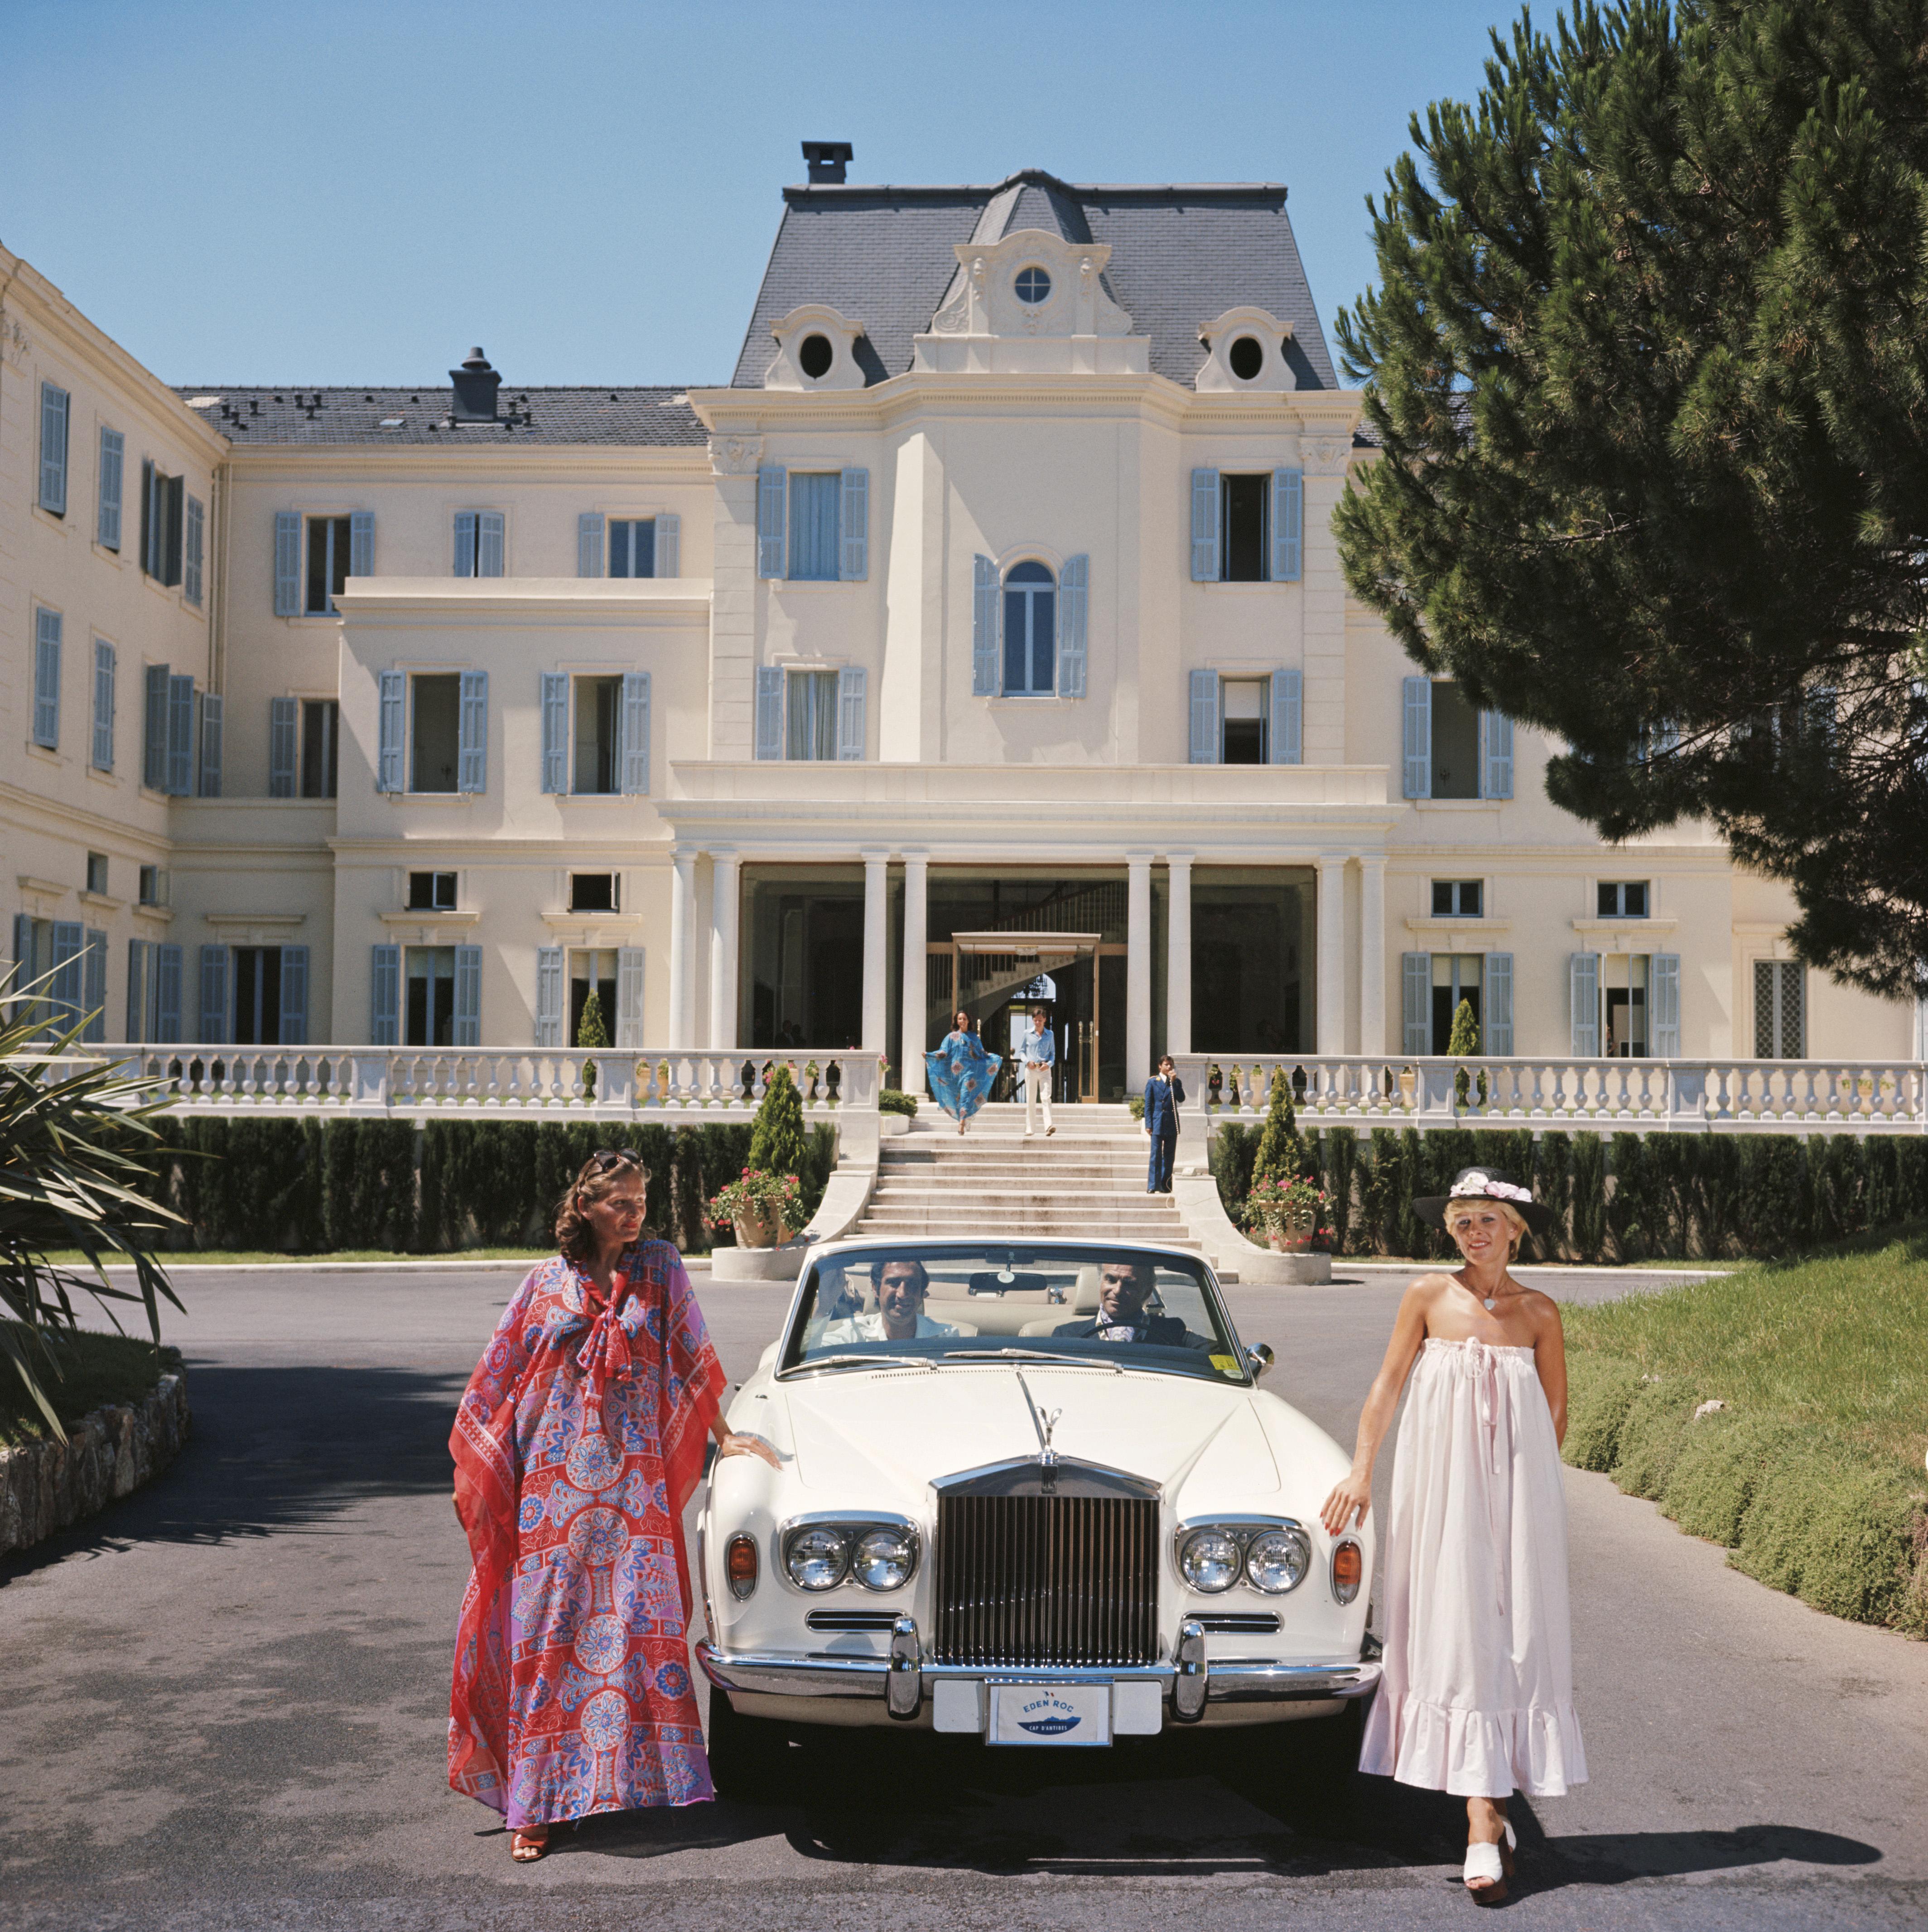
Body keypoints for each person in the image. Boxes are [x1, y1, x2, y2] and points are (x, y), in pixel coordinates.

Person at [447, 1149, 779, 1862]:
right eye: (621, 1204)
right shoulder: (545, 1282)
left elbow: (693, 1356)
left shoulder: (660, 1267)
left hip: (634, 1487)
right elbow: (496, 1376)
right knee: (551, 1633)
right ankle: (535, 1806)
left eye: (641, 1202)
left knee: (636, 1629)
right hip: (552, 1493)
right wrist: (478, 1471)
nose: (636, 1215)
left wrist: (726, 1437)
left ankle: (630, 1783)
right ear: (587, 1206)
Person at [1320, 1167, 1586, 1905]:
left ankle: (1485, 1821)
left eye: (1488, 1220)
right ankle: (1479, 1813)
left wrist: (1520, 1494)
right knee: (1455, 1636)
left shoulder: (1540, 1314)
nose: (1475, 1231)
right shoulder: (1427, 1297)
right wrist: (1361, 1473)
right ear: (1451, 1231)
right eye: (1463, 1220)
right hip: (1440, 1491)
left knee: (1513, 1637)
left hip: (1515, 1500)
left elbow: (1555, 1416)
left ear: (1514, 1229)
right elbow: (1387, 1385)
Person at [1051, 1259, 1211, 1351]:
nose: (1118, 1290)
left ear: (1147, 1292)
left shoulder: (1172, 1332)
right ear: (1100, 1283)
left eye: (1129, 1284)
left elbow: (1221, 1353)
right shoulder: (1067, 1335)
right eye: (1111, 1280)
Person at [815, 1257, 961, 1344]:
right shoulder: (855, 1336)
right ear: (875, 1288)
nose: (903, 1294)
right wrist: (823, 1308)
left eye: (912, 1284)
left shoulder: (945, 1337)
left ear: (922, 1291)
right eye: (893, 1283)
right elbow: (808, 1355)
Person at [926, 1009, 999, 1136]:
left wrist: (996, 1058)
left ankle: (962, 1124)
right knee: (957, 1098)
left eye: (964, 1019)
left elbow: (982, 1054)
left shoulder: (974, 1038)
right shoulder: (951, 1037)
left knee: (965, 1096)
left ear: (968, 1021)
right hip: (954, 1075)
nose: (962, 1021)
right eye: (960, 1019)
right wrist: (930, 1055)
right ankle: (963, 1118)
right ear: (957, 1021)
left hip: (969, 1073)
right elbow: (943, 1052)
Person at [1142, 1054, 1185, 1194]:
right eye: (1166, 1065)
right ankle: (1153, 1185)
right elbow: (1148, 1105)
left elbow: (1181, 1098)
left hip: (1171, 1123)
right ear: (1160, 1066)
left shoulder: (1176, 1082)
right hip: (1157, 1123)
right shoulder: (1153, 1082)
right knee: (1155, 1155)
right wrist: (1149, 1124)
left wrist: (1174, 1082)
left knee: (1169, 1156)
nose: (1169, 1067)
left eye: (1171, 1065)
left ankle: (1165, 1184)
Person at [1021, 1005, 1056, 1138]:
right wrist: (1027, 1062)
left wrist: (1049, 1065)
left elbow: (1053, 1054)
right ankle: (1030, 1129)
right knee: (1031, 1099)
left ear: (1045, 1020)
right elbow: (1022, 1052)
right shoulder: (1027, 1034)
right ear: (1033, 1020)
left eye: (1040, 1020)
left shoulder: (1050, 1035)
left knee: (1046, 1097)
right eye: (1036, 1020)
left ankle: (1049, 1126)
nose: (1038, 1023)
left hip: (1044, 1069)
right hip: (1031, 1069)